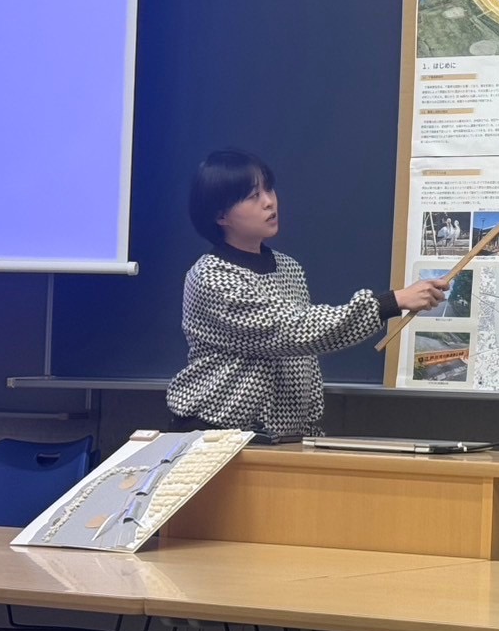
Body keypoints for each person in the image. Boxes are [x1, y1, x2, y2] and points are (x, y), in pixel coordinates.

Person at [166, 149, 448, 438]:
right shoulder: (211, 276)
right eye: (253, 196)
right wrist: (391, 302)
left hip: (283, 435)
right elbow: (292, 331)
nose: (269, 202)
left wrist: (307, 430)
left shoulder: (288, 267)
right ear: (221, 215)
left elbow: (302, 355)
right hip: (217, 434)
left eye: (269, 189)